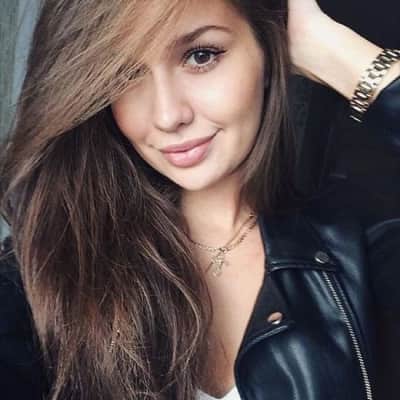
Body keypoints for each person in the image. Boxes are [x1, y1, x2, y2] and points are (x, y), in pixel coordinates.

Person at [0, 0, 399, 399]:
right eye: (123, 74)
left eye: (201, 56)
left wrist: (334, 54)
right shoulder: (44, 272)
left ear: (269, 49)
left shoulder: (363, 250)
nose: (168, 115)